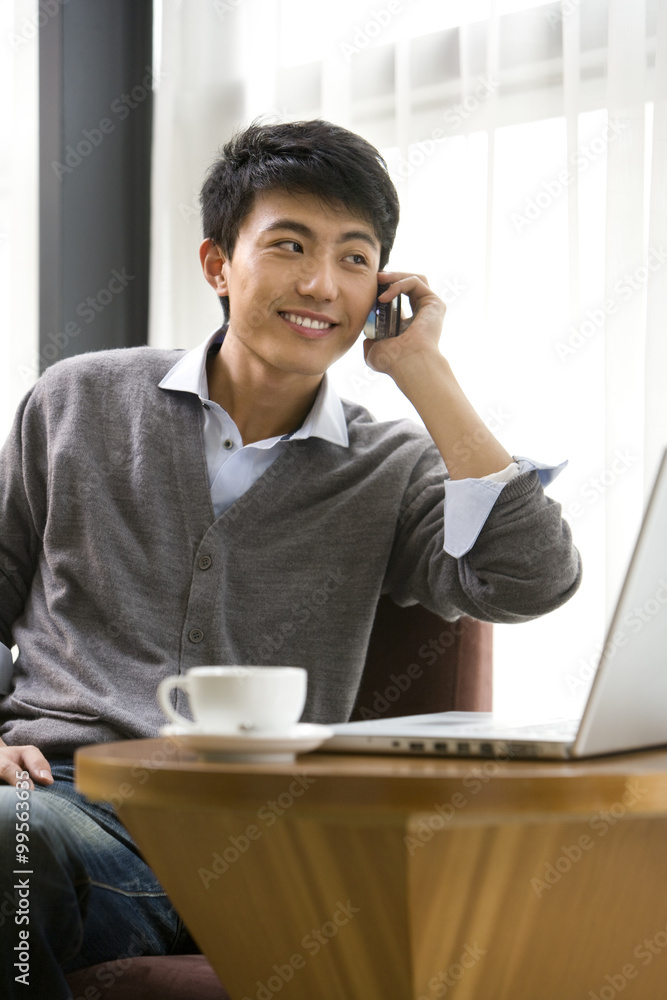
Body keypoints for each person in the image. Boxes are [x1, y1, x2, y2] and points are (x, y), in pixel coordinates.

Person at [0, 118, 581, 996]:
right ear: (217, 265)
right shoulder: (78, 399)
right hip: (61, 799)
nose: (321, 284)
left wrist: (423, 374)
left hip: (250, 841)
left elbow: (532, 579)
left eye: (355, 258)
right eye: (289, 245)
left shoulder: (392, 466)